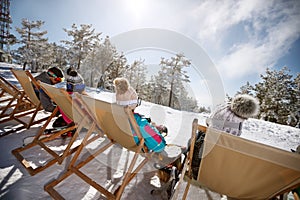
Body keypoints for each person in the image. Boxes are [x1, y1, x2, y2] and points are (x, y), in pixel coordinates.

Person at [189, 94, 260, 180]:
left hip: (198, 168)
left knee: (200, 136)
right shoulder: (236, 131)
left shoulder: (221, 111)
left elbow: (209, 122)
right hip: (221, 175)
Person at [113, 77, 167, 153]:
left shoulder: (113, 115)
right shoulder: (142, 124)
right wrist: (161, 140)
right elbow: (159, 146)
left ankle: (154, 127)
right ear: (133, 103)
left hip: (123, 139)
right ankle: (155, 129)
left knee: (149, 126)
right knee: (148, 128)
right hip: (138, 143)